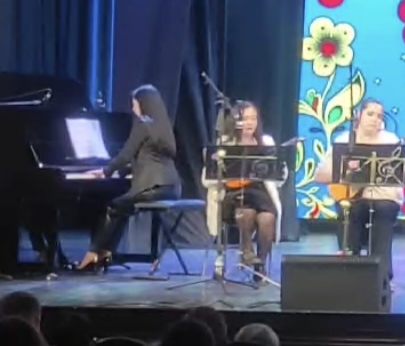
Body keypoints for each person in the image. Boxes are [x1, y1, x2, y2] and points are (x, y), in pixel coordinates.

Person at [75, 85, 181, 271]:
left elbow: (126, 154)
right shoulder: (163, 126)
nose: (133, 108)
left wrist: (106, 171)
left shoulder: (143, 123)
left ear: (144, 104)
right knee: (123, 207)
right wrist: (123, 172)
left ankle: (93, 254)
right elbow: (149, 157)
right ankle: (106, 253)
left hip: (153, 186)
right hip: (172, 187)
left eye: (135, 104)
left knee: (114, 206)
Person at [316, 99, 402, 281]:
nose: (375, 119)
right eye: (370, 114)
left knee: (384, 210)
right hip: (353, 197)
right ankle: (350, 273)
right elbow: (320, 175)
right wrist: (346, 169)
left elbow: (401, 178)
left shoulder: (391, 141)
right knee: (350, 211)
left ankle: (382, 277)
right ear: (358, 115)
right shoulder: (344, 140)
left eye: (379, 116)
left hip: (383, 198)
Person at [203, 101, 283, 278]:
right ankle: (246, 250)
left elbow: (278, 177)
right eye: (246, 118)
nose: (250, 123)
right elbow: (208, 178)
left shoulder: (266, 142)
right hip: (233, 194)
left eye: (253, 118)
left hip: (260, 194)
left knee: (268, 218)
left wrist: (277, 171)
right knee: (246, 212)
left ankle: (260, 266)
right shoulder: (225, 143)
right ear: (236, 121)